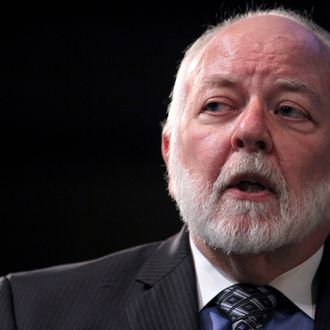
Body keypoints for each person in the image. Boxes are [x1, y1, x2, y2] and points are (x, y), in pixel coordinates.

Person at [1, 7, 330, 330]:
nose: (250, 131)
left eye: (289, 110)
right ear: (170, 154)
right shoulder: (28, 310)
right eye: (216, 105)